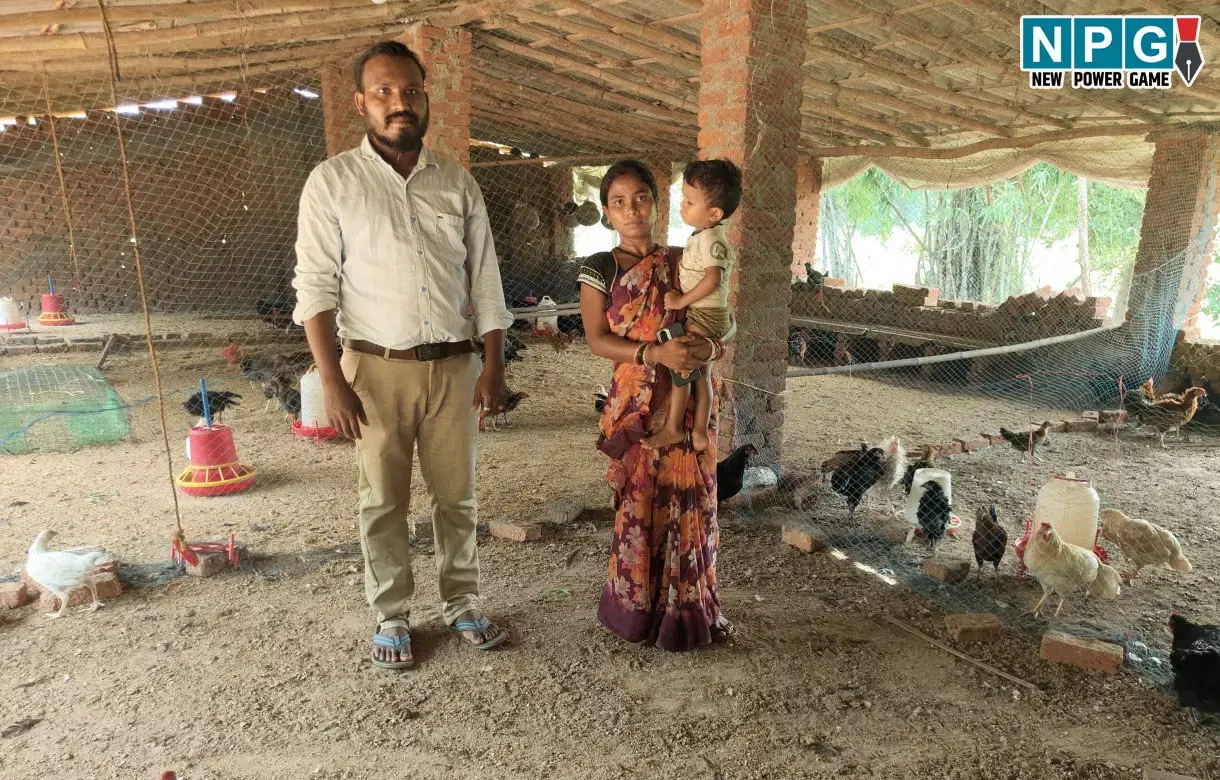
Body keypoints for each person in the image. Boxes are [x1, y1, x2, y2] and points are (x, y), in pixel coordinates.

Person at [292, 40, 513, 670]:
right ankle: (391, 612)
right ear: (360, 102)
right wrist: (332, 380)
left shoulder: (457, 182)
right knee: (383, 500)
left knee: (457, 498)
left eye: (410, 91)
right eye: (383, 92)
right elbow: (315, 288)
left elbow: (485, 280)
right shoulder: (333, 182)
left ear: (425, 98)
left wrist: (493, 365)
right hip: (374, 370)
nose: (399, 103)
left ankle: (462, 602)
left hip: (455, 367)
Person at [577, 159, 734, 651]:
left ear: (656, 202)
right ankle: (637, 614)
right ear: (607, 212)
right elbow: (597, 339)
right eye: (619, 202)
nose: (632, 210)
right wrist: (653, 354)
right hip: (637, 407)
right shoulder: (600, 268)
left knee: (690, 505)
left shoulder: (683, 259)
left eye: (641, 197)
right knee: (640, 504)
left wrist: (711, 347)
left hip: (687, 403)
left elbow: (721, 317)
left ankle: (687, 613)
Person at [643, 159, 741, 453]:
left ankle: (674, 428)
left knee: (682, 366)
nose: (682, 206)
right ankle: (699, 431)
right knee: (702, 374)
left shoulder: (712, 239)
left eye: (689, 201)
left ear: (714, 213)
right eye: (683, 199)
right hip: (708, 314)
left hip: (704, 315)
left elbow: (713, 279)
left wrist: (680, 301)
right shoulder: (703, 235)